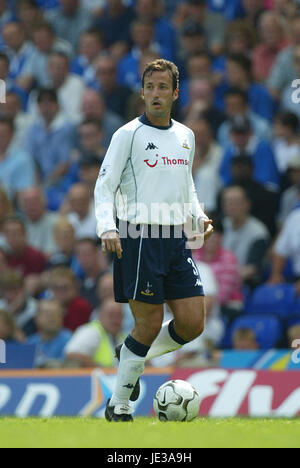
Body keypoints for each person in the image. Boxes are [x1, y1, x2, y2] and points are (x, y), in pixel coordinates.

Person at [94, 59, 213, 421]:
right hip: (138, 236)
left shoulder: (186, 136)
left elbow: (186, 185)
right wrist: (107, 228)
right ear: (143, 92)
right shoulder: (127, 134)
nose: (156, 94)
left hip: (175, 238)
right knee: (147, 324)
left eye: (164, 87)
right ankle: (119, 405)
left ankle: (131, 354)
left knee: (193, 323)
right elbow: (104, 185)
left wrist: (198, 215)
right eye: (151, 87)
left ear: (175, 93)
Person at [64, 299, 124, 368]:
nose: (116, 320)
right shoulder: (91, 331)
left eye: (119, 316)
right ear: (100, 315)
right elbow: (72, 355)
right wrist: (102, 371)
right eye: (111, 315)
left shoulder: (122, 336)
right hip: (94, 378)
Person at [28, 299, 72, 368]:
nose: (52, 318)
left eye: (56, 314)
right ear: (36, 318)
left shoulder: (71, 341)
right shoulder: (30, 342)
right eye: (47, 314)